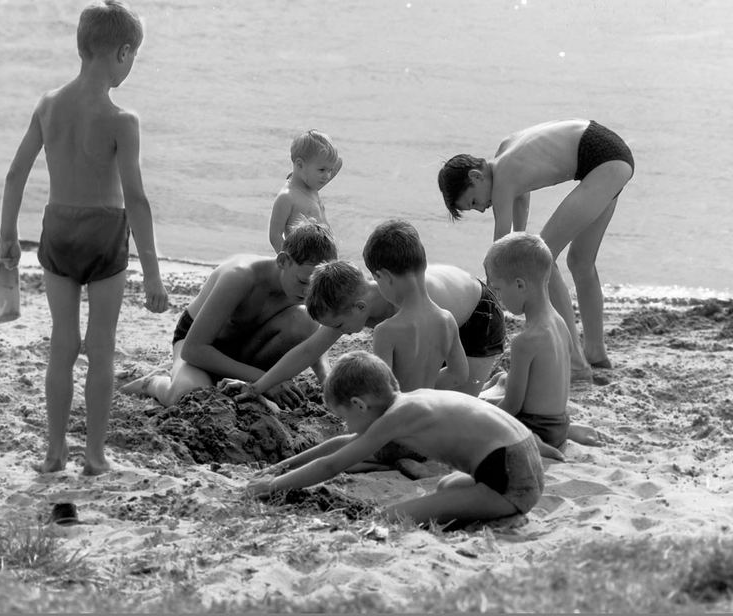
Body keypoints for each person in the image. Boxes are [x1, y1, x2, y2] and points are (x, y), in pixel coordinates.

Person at [0, 0, 169, 476]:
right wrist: (152, 275)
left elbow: (15, 175)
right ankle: (93, 456)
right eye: (133, 57)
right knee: (102, 347)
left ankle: (53, 452)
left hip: (58, 230)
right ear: (123, 52)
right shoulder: (123, 121)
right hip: (103, 233)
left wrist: (8, 235)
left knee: (62, 342)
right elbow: (136, 199)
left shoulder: (49, 105)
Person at [246, 350, 545, 526]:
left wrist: (272, 487)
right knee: (445, 486)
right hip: (520, 456)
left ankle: (504, 506)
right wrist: (282, 467)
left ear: (359, 405)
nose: (347, 426)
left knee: (389, 516)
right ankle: (491, 505)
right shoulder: (409, 401)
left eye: (345, 417)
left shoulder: (398, 417)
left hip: (512, 479)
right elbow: (343, 445)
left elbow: (331, 466)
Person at [437, 118, 635, 382]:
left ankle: (576, 361)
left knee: (542, 258)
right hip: (612, 154)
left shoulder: (502, 179)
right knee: (580, 261)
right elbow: (523, 193)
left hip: (601, 160)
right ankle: (596, 353)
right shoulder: (505, 153)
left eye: (474, 201)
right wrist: (520, 234)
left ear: (476, 176)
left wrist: (486, 292)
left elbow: (500, 245)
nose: (481, 208)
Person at [219, 257, 504, 402]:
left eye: (340, 326)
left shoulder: (406, 308)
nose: (342, 332)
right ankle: (494, 385)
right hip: (447, 320)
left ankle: (496, 386)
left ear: (357, 307)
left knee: (455, 400)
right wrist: (257, 387)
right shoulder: (353, 304)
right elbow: (308, 350)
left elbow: (430, 381)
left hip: (479, 314)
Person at [121, 220, 336, 407]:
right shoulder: (240, 276)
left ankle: (229, 379)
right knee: (189, 396)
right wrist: (265, 379)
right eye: (303, 282)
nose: (309, 292)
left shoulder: (306, 284)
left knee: (307, 321)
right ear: (283, 261)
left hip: (247, 348)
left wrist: (326, 379)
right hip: (199, 346)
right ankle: (154, 383)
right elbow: (193, 349)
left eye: (315, 286)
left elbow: (315, 338)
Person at [479, 232, 601, 454]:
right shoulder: (561, 324)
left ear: (519, 285)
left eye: (498, 288)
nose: (498, 297)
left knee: (477, 415)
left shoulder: (525, 341)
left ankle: (537, 444)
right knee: (501, 379)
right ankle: (568, 431)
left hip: (534, 430)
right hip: (558, 423)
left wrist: (479, 413)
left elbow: (512, 407)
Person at [361, 219, 468, 392]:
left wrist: (409, 396)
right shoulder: (446, 320)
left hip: (404, 415)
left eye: (376, 279)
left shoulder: (386, 331)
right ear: (424, 263)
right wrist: (426, 390)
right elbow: (459, 375)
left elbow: (383, 390)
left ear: (385, 277)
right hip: (430, 409)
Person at [268, 130, 342, 253]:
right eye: (322, 170)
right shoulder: (287, 197)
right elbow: (274, 236)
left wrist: (300, 173)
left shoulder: (311, 186)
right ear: (299, 165)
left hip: (324, 256)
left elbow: (339, 162)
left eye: (330, 170)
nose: (328, 176)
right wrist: (290, 263)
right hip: (304, 261)